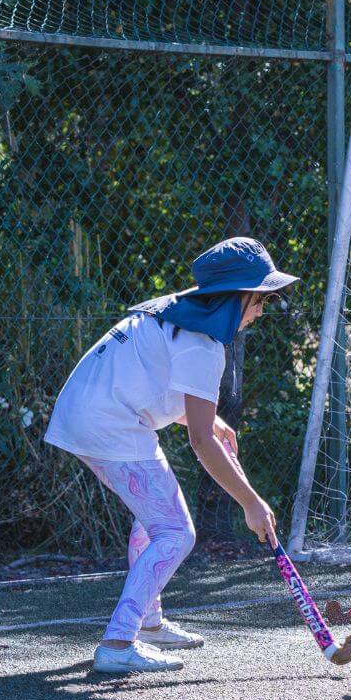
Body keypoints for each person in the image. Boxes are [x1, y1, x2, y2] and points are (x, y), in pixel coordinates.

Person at [43, 238, 290, 674]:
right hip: (109, 425)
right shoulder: (203, 344)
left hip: (90, 415)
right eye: (259, 299)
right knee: (176, 532)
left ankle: (149, 623)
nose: (261, 311)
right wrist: (251, 502)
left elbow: (151, 383)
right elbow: (200, 442)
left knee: (153, 518)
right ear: (237, 297)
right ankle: (118, 642)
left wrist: (208, 421)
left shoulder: (176, 313)